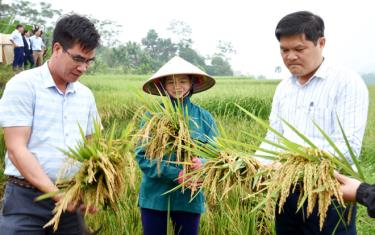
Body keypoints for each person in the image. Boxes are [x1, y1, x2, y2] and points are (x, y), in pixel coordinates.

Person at [256, 11, 369, 234]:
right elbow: (273, 139)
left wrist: (292, 167)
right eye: (284, 50)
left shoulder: (346, 82)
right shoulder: (283, 89)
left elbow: (346, 147)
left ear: (321, 43)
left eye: (299, 49)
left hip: (331, 192)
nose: (290, 57)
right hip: (285, 191)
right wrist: (254, 166)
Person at [0, 14, 100, 234]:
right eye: (77, 59)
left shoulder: (86, 96)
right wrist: (57, 194)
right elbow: (16, 149)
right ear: (57, 49)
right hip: (26, 201)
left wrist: (93, 189)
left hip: (71, 199)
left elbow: (93, 148)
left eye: (88, 61)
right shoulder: (23, 86)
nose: (83, 68)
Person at [136, 56, 218, 235]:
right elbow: (141, 156)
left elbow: (218, 155)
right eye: (171, 82)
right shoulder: (152, 117)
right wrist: (177, 174)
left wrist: (202, 164)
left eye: (182, 81)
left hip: (189, 198)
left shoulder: (204, 118)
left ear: (192, 84)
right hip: (154, 197)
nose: (177, 86)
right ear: (163, 85)